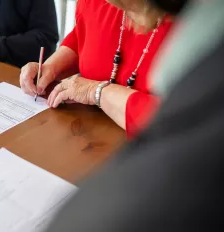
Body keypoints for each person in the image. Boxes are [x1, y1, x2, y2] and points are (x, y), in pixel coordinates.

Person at [0, 0, 224, 231]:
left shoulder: (211, 31)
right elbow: (80, 37)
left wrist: (98, 92)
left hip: (147, 165)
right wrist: (53, 65)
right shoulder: (98, 2)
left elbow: (185, 122)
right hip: (81, 146)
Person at [20, 0, 175, 138]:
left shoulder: (192, 23)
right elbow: (84, 35)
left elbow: (175, 118)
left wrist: (96, 91)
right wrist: (52, 67)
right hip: (90, 136)